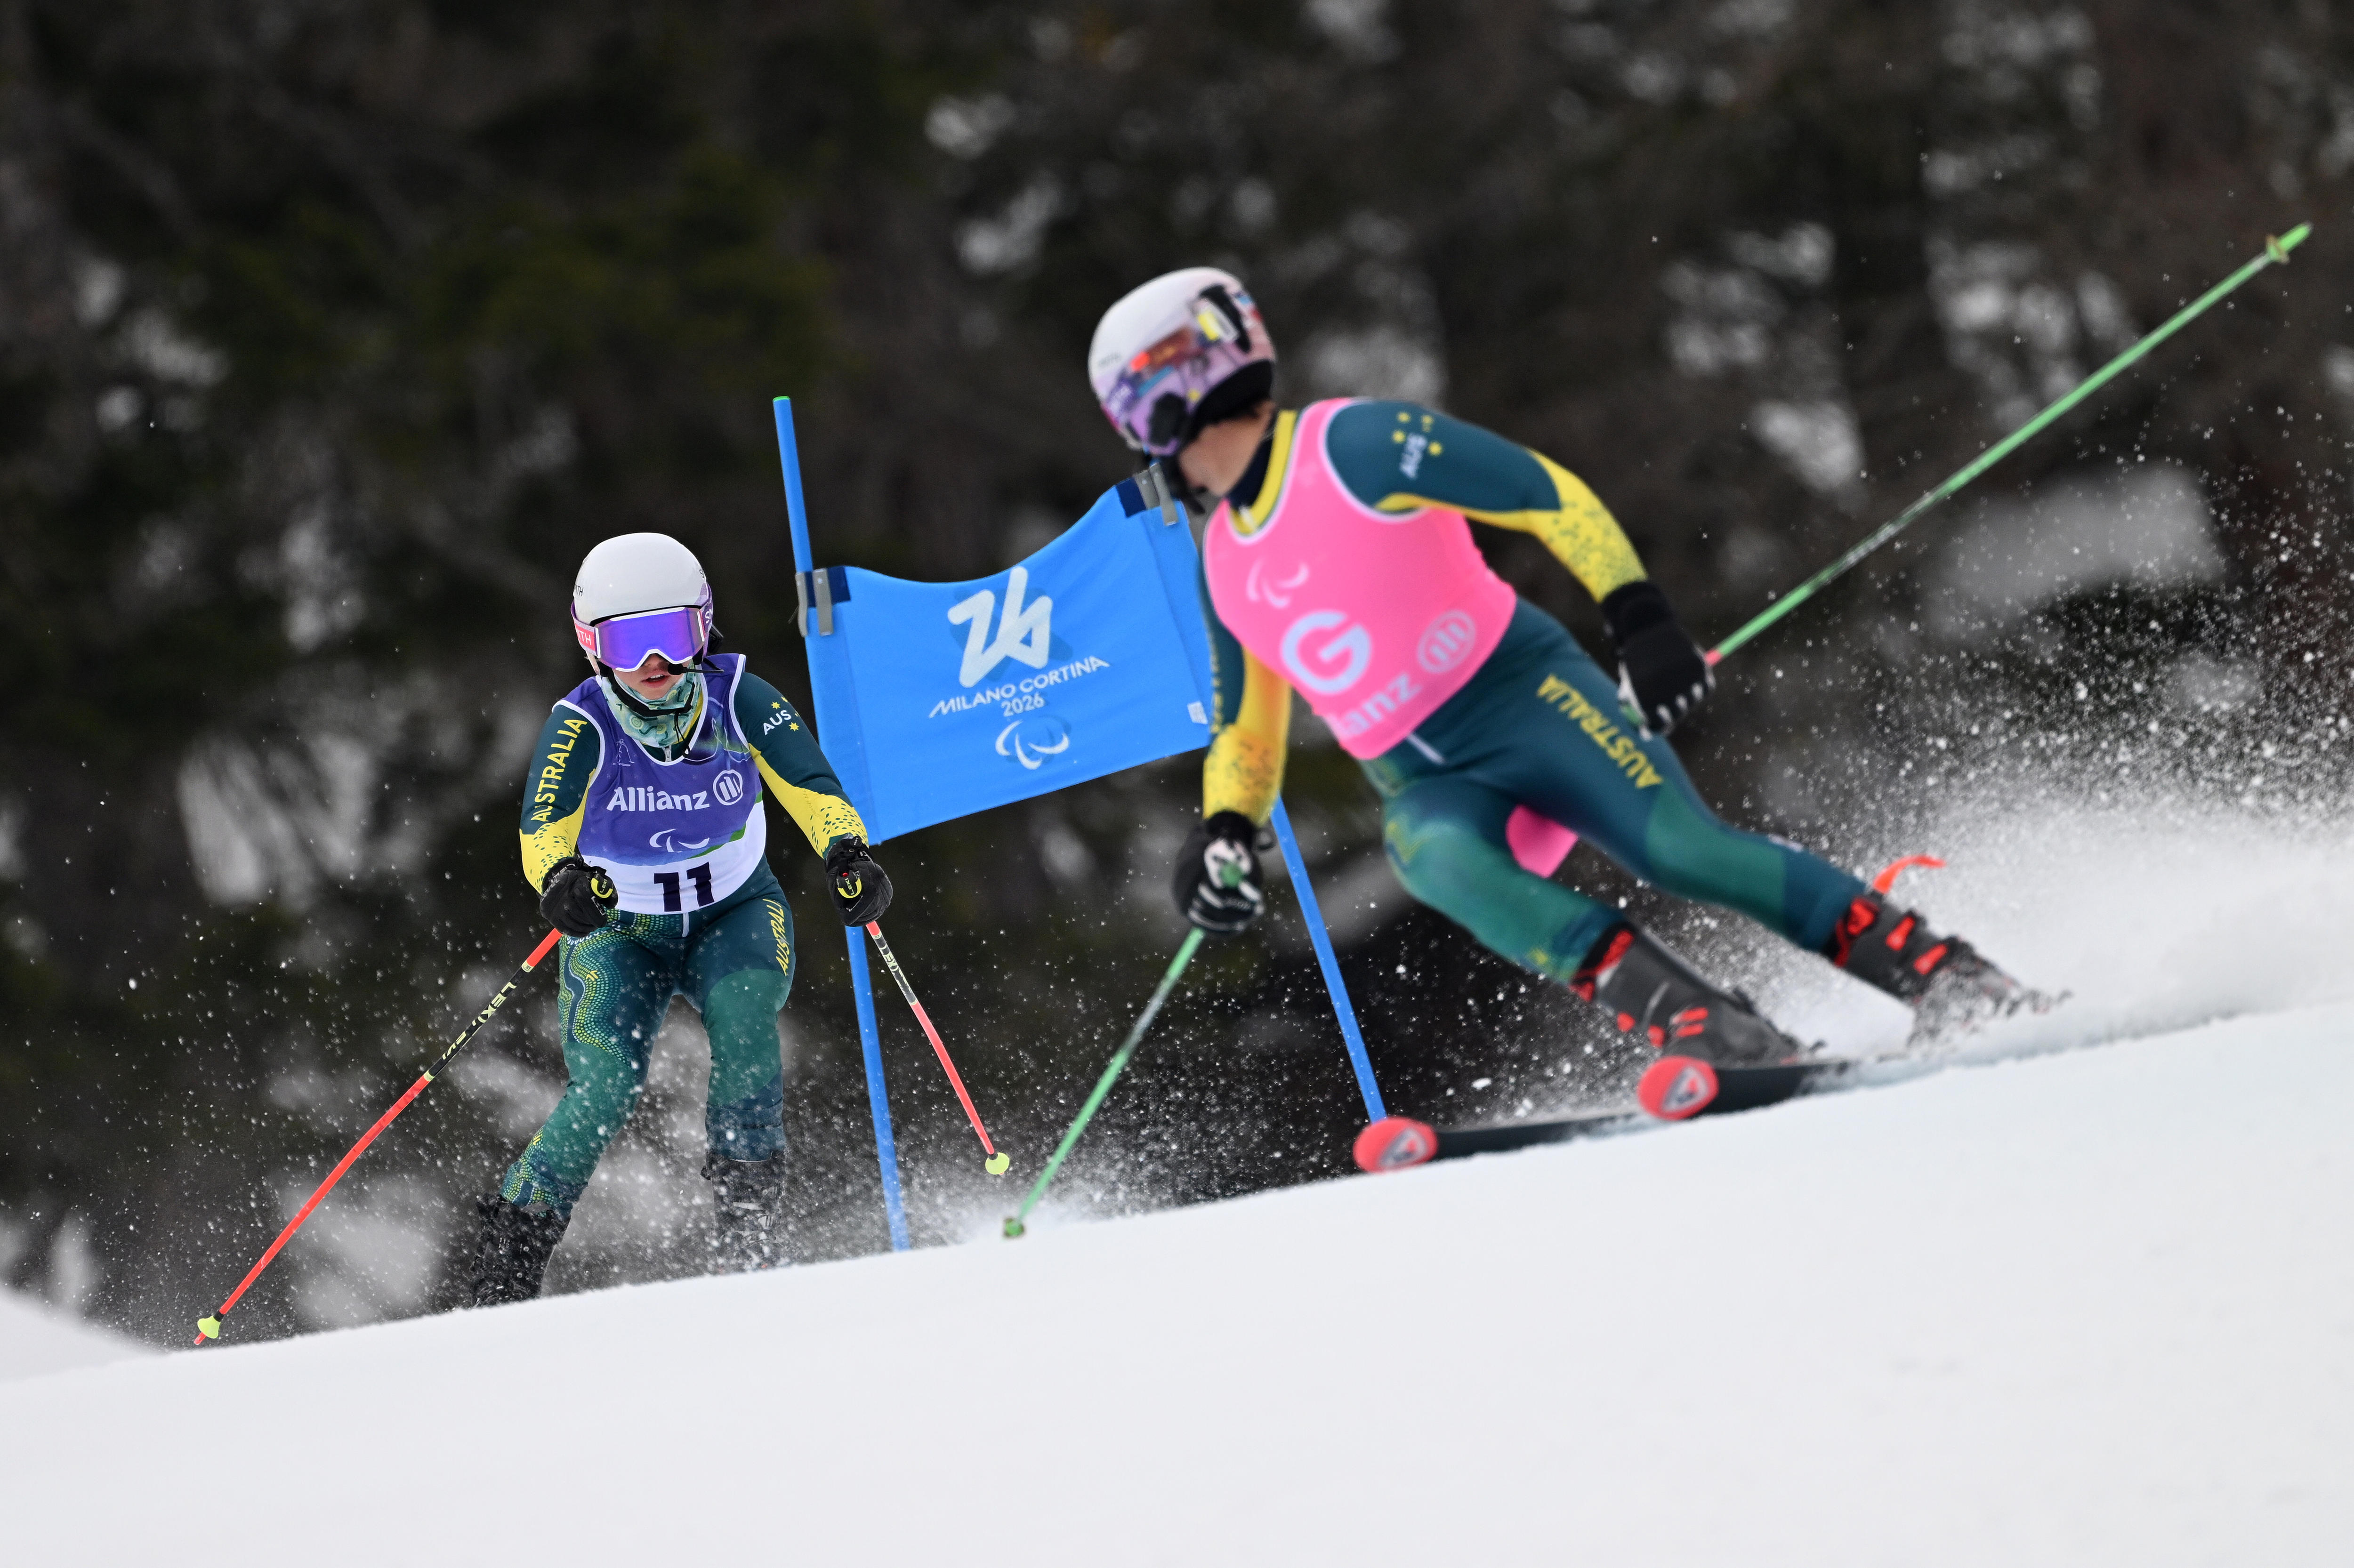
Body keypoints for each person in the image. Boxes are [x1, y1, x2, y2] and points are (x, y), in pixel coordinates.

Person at [1086, 268, 2035, 1101]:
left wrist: (1639, 616)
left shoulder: (1352, 445)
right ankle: (1714, 1030)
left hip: (1525, 701)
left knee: (1683, 852)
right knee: (1430, 856)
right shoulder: (1223, 562)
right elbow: (1247, 727)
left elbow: (1541, 492)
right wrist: (1223, 831)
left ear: (1156, 406)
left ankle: (1947, 976)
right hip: (1426, 781)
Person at [469, 532, 891, 1304]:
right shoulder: (583, 724)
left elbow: (809, 783)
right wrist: (559, 878)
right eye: (629, 644)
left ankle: (748, 1222)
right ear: (592, 646)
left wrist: (846, 852)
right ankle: (513, 1247)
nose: (655, 663)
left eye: (671, 634)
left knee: (746, 1022)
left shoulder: (738, 698)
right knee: (606, 1085)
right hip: (620, 929)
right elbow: (542, 824)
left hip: (734, 907)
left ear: (704, 627)